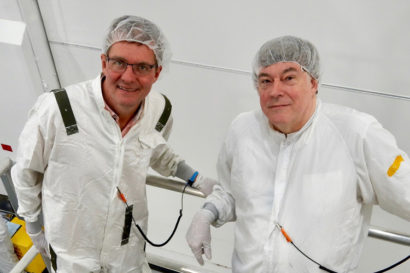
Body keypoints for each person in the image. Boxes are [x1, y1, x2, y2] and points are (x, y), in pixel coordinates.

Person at [186, 35, 410, 272]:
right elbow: (232, 193)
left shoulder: (356, 134)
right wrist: (208, 213)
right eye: (265, 81)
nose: (275, 91)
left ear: (313, 83)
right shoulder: (242, 131)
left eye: (289, 78)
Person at [11, 15, 217, 273]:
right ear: (103, 62)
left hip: (127, 252)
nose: (128, 77)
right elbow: (27, 171)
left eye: (142, 67)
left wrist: (194, 177)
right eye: (119, 62)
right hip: (73, 253)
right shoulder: (59, 109)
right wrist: (32, 225)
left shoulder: (160, 109)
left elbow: (153, 149)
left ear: (157, 72)